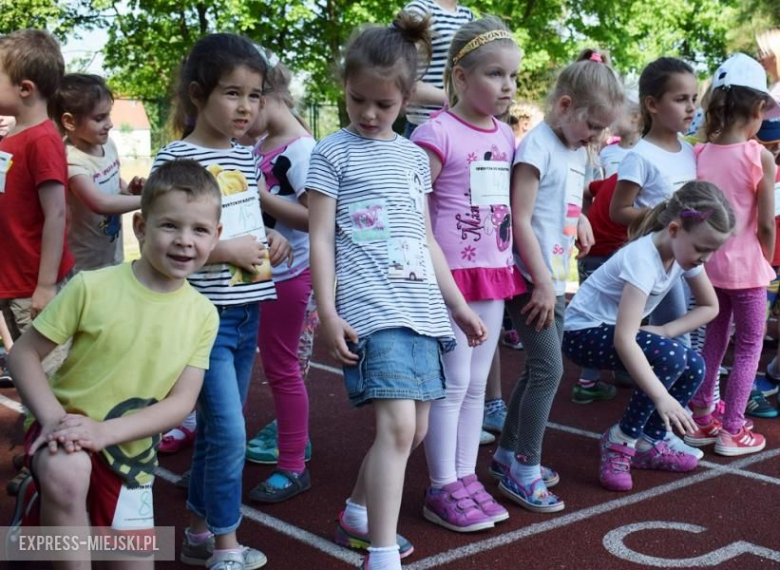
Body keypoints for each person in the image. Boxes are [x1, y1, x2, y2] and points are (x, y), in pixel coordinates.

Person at [307, 12, 487, 570]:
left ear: (407, 99)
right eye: (357, 99)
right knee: (398, 425)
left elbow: (425, 238)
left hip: (423, 310)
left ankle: (357, 511)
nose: (368, 113)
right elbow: (319, 238)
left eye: (383, 104)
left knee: (417, 430)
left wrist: (457, 305)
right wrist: (328, 311)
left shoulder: (413, 157)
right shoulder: (331, 152)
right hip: (370, 308)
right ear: (344, 88)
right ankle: (381, 553)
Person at [7, 160, 222, 568]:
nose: (184, 241)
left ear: (216, 236)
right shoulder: (92, 286)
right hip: (66, 434)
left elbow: (180, 403)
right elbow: (23, 354)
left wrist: (104, 432)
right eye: (169, 225)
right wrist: (53, 419)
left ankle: (38, 516)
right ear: (140, 226)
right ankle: (49, 509)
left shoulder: (204, 315)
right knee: (68, 474)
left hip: (130, 455)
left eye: (199, 230)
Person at [153, 33, 292, 570]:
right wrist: (223, 250)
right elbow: (165, 245)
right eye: (232, 93)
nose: (246, 107)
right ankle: (226, 546)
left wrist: (270, 238)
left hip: (245, 312)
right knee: (232, 435)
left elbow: (243, 221)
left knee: (216, 433)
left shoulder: (245, 157)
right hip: (200, 320)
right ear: (197, 94)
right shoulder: (177, 157)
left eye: (255, 96)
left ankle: (196, 533)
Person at [493, 49, 623, 513]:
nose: (597, 137)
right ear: (565, 105)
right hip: (531, 279)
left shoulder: (574, 148)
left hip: (551, 277)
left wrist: (581, 219)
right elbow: (520, 216)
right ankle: (524, 468)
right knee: (549, 369)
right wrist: (544, 284)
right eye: (593, 126)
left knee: (538, 368)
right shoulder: (537, 147)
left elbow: (564, 200)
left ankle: (508, 454)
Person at [410, 16, 524, 532]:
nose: (508, 86)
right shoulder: (435, 133)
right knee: (452, 384)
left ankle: (465, 476)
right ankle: (441, 486)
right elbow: (414, 211)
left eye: (513, 76)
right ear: (460, 77)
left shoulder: (506, 135)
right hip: (450, 279)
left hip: (492, 275)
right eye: (495, 74)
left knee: (478, 384)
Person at [563, 181, 734, 491]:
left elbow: (710, 307)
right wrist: (661, 397)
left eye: (712, 250)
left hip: (611, 331)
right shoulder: (642, 260)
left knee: (694, 365)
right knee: (671, 357)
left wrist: (665, 330)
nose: (706, 258)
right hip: (581, 334)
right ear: (674, 229)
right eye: (702, 249)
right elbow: (624, 340)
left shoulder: (683, 253)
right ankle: (621, 441)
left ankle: (647, 442)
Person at [685, 54, 777, 456]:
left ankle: (702, 416)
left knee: (714, 339)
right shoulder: (760, 156)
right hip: (748, 270)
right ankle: (733, 429)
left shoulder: (700, 153)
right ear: (757, 109)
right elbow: (766, 223)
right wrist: (767, 260)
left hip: (709, 267)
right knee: (750, 346)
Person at [244, 48, 317, 503]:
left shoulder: (302, 150)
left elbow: (316, 219)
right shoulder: (260, 145)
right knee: (267, 365)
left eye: (247, 100)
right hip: (257, 273)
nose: (240, 115)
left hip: (290, 276)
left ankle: (293, 462)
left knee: (284, 368)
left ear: (266, 98)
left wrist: (262, 197)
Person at [609, 57, 698, 350]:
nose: (691, 107)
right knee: (675, 338)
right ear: (652, 104)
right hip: (659, 259)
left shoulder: (689, 151)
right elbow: (618, 210)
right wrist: (664, 217)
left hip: (687, 259)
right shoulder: (640, 156)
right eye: (681, 99)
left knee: (682, 333)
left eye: (694, 98)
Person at [0, 30, 73, 377]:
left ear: (25, 89)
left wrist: (45, 286)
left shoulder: (42, 140)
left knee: (50, 374)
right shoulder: (11, 138)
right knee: (26, 372)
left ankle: (52, 415)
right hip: (11, 280)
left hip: (33, 287)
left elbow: (56, 214)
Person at [51, 73, 144, 274]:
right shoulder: (71, 161)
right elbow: (99, 203)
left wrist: (129, 191)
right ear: (69, 121)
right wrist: (149, 200)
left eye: (108, 115)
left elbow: (113, 181)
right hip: (84, 266)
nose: (109, 124)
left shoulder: (108, 145)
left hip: (112, 256)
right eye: (99, 118)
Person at [403, 0, 475, 136]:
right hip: (427, 128)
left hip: (464, 126)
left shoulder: (468, 15)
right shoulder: (419, 10)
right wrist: (459, 99)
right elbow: (400, 78)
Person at [751, 118, 780, 416]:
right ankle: (747, 389)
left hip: (769, 262)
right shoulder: (757, 169)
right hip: (765, 263)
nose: (774, 148)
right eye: (768, 143)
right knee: (755, 328)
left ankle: (773, 375)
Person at [599, 100, 642, 179]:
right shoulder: (606, 152)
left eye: (615, 115)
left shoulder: (649, 151)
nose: (609, 121)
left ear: (635, 117)